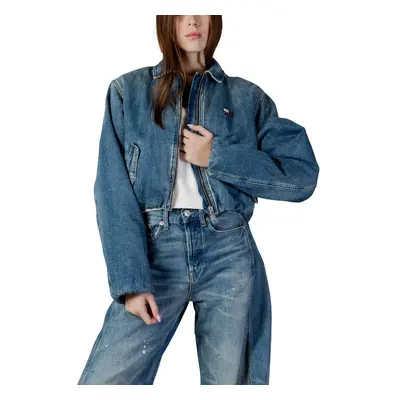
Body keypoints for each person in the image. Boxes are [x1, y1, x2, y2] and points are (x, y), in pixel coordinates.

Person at [77, 15, 319, 385]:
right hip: (156, 254)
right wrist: (131, 281)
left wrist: (217, 156)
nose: (193, 20)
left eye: (202, 9)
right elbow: (112, 191)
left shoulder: (246, 98)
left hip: (228, 251)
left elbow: (301, 176)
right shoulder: (129, 92)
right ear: (167, 21)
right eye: (181, 12)